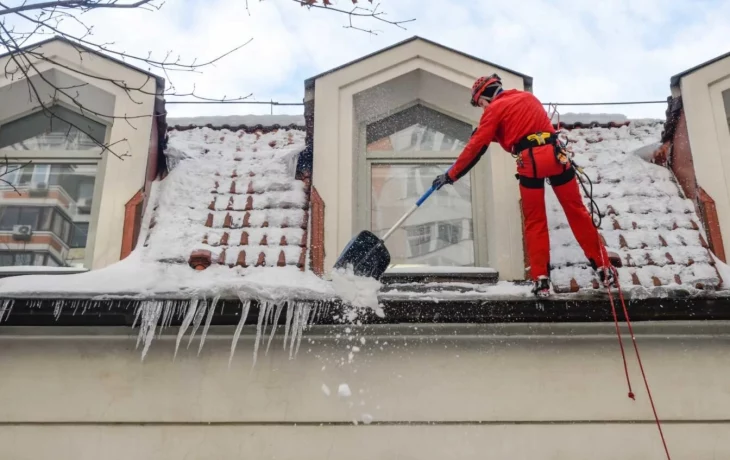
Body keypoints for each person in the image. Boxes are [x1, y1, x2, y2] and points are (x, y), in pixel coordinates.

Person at [432, 74, 614, 297]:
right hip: (557, 157)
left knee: (535, 221)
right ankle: (604, 266)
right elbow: (526, 129)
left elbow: (476, 148)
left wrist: (451, 175)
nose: (482, 109)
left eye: (481, 104)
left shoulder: (494, 110)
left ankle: (541, 278)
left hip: (531, 162)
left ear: (486, 96)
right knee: (576, 211)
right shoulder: (528, 98)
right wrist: (493, 135)